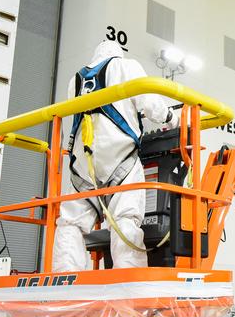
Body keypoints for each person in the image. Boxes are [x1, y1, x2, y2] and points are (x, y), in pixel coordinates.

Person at [51, 39, 173, 273]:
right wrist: (171, 118)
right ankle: (128, 285)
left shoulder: (75, 80)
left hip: (82, 166)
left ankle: (65, 282)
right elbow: (150, 104)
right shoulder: (125, 67)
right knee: (125, 220)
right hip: (120, 160)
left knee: (70, 223)